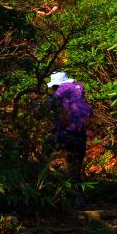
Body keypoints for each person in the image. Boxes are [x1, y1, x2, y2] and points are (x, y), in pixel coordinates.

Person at [40, 71, 92, 208]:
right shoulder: (79, 91)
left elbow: (42, 111)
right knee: (75, 169)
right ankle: (79, 201)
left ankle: (47, 190)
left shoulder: (60, 92)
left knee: (44, 152)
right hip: (80, 135)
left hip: (64, 135)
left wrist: (35, 108)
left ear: (57, 85)